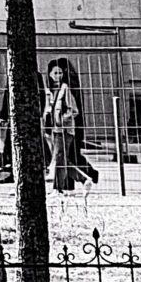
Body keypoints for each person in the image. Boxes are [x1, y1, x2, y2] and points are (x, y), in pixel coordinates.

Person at [42, 58, 94, 192]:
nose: (57, 76)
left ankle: (58, 188)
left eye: (60, 73)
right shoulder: (50, 90)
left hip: (64, 129)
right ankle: (85, 179)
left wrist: (62, 120)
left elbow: (74, 110)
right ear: (49, 74)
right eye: (55, 73)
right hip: (53, 129)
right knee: (62, 159)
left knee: (60, 159)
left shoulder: (65, 89)